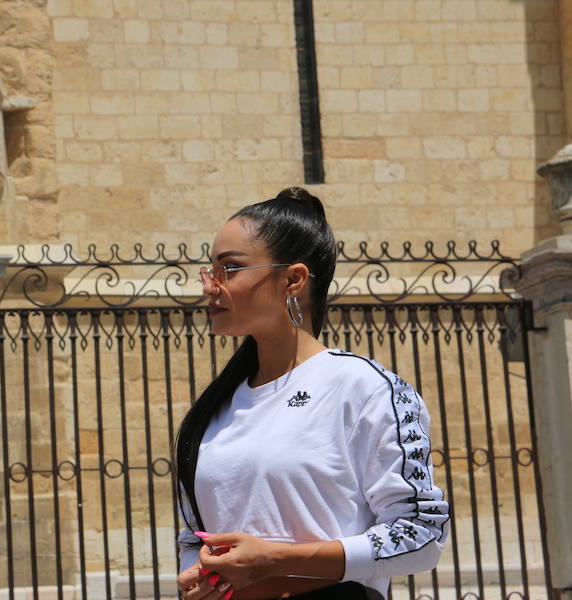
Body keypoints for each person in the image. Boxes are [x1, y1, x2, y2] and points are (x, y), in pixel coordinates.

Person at [175, 187, 449, 600]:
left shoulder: (364, 388)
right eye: (210, 270)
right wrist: (198, 575)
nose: (211, 287)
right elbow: (193, 534)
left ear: (293, 279)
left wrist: (281, 560)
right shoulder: (212, 412)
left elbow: (421, 535)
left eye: (229, 269)